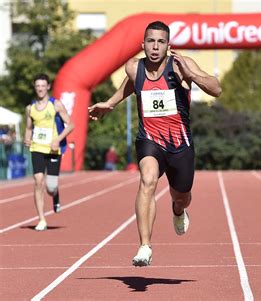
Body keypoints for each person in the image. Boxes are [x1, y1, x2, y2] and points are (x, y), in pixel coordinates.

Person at [88, 21, 221, 266]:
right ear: (143, 44)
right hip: (149, 140)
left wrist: (192, 76)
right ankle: (145, 246)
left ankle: (178, 210)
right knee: (147, 180)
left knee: (182, 195)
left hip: (180, 144)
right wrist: (110, 103)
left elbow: (217, 89)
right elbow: (131, 85)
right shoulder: (133, 67)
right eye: (151, 41)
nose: (155, 47)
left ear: (168, 45)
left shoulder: (181, 65)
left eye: (161, 42)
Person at [24, 73, 75, 231]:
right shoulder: (30, 108)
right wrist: (27, 139)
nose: (40, 89)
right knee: (38, 181)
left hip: (53, 149)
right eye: (37, 86)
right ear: (35, 87)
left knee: (50, 187)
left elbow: (71, 125)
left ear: (48, 87)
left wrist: (57, 139)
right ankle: (41, 219)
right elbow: (28, 128)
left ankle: (55, 194)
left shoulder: (56, 105)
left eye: (42, 86)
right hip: (37, 148)